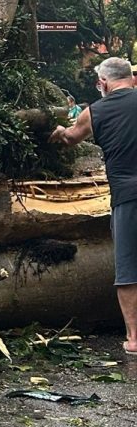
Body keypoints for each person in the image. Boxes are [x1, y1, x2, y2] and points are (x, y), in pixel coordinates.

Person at [50, 57, 137, 355]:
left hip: (127, 197)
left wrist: (59, 130)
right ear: (133, 79)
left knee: (128, 267)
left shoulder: (94, 111)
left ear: (102, 83)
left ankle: (134, 338)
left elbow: (71, 138)